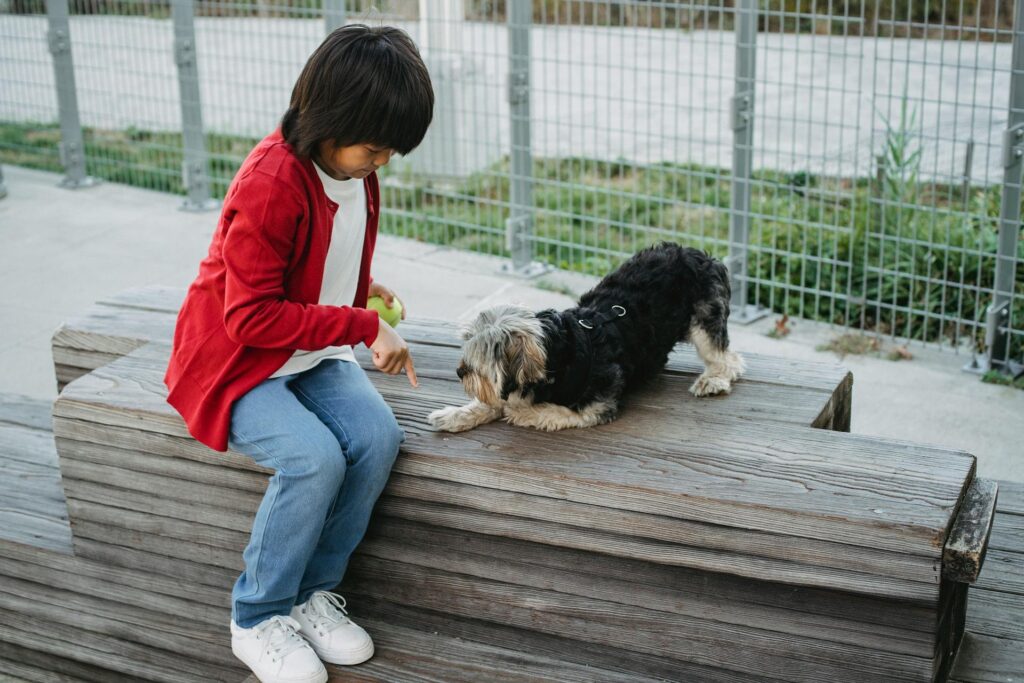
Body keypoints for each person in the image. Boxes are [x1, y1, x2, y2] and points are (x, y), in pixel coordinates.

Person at [163, 24, 433, 683]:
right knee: (312, 457)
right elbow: (251, 313)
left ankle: (312, 593)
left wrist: (358, 284)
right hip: (236, 360)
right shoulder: (270, 182)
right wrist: (364, 322)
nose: (383, 161)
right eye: (375, 146)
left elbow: (313, 254)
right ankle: (256, 615)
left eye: (391, 149)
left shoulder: (355, 171)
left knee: (376, 436)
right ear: (330, 121)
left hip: (301, 354)